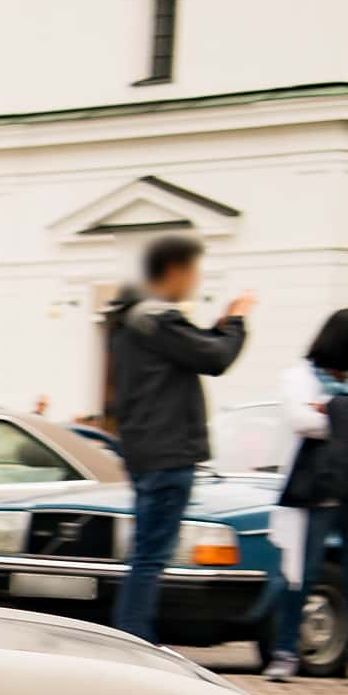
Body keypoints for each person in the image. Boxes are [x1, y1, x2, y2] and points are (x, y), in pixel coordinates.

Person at [98, 234, 251, 642]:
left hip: (144, 450)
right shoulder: (158, 318)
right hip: (168, 452)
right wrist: (235, 322)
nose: (197, 280)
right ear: (175, 271)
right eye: (195, 270)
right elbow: (214, 358)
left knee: (145, 552)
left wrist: (215, 331)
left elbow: (193, 348)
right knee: (151, 555)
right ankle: (135, 640)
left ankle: (131, 637)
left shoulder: (131, 320)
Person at [264, 307, 348, 684]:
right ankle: (285, 652)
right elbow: (301, 420)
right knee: (300, 575)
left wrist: (334, 410)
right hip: (315, 489)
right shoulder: (298, 377)